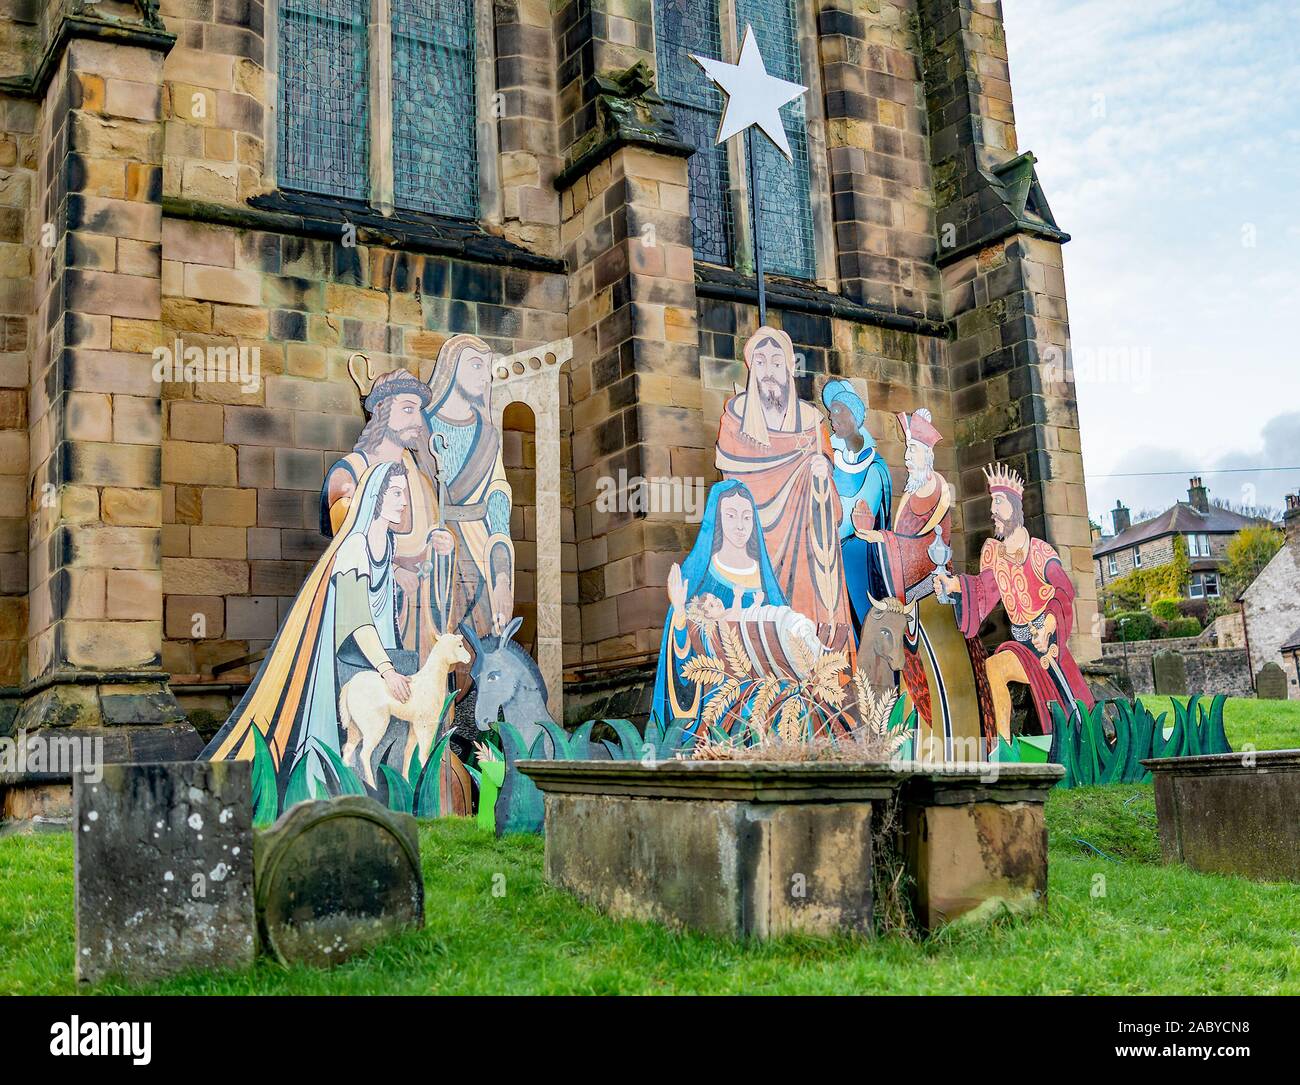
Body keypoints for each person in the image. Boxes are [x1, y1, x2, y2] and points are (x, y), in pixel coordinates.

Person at [204, 462, 422, 801]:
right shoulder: (354, 547)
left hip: (379, 659)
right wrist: (388, 670)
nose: (404, 502)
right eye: (396, 493)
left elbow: (385, 613)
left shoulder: (387, 542)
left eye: (404, 493)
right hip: (348, 661)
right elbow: (356, 620)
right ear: (375, 498)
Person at [934, 463, 1095, 742]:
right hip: (1021, 644)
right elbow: (984, 589)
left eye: (998, 502)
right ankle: (1003, 744)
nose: (992, 510)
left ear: (1015, 507)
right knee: (995, 667)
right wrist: (954, 585)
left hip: (1047, 643)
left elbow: (1063, 591)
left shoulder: (1039, 552)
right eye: (991, 502)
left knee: (1074, 713)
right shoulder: (994, 553)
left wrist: (1048, 627)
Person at [715, 327, 854, 637]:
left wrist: (821, 469)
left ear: (790, 366)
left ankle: (819, 649)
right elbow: (731, 485)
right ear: (751, 367)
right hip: (754, 535)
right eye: (760, 362)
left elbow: (827, 475)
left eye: (777, 362)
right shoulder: (734, 419)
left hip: (804, 538)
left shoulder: (812, 421)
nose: (769, 371)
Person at [320, 370, 454, 664]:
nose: (418, 421)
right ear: (381, 410)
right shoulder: (348, 475)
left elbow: (430, 544)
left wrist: (442, 545)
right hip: (368, 619)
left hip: (418, 620)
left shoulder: (421, 481)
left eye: (418, 411)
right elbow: (346, 550)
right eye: (407, 409)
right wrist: (393, 571)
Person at [650, 481, 787, 731]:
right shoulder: (700, 574)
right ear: (717, 519)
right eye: (731, 516)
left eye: (747, 517)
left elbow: (784, 629)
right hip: (719, 693)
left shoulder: (764, 577)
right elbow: (684, 651)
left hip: (765, 693)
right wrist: (679, 610)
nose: (740, 526)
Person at [422, 334, 515, 641]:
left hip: (477, 545)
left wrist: (502, 577)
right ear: (451, 368)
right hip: (431, 542)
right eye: (476, 365)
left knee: (481, 638)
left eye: (487, 367)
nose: (485, 376)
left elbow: (497, 496)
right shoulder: (419, 427)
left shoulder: (488, 434)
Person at [821, 379, 892, 636]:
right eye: (830, 411)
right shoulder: (826, 457)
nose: (831, 417)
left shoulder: (875, 466)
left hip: (858, 551)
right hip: (827, 548)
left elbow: (866, 513)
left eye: (837, 410)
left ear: (853, 414)